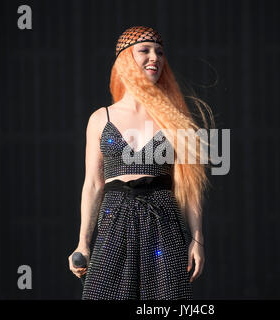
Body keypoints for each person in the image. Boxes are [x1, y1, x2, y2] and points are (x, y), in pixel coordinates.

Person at [68, 26, 214, 300]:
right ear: (125, 59)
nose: (154, 58)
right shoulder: (101, 119)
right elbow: (93, 184)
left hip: (163, 220)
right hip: (114, 220)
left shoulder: (175, 119)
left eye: (159, 52)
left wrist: (197, 239)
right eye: (144, 51)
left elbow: (189, 186)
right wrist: (83, 243)